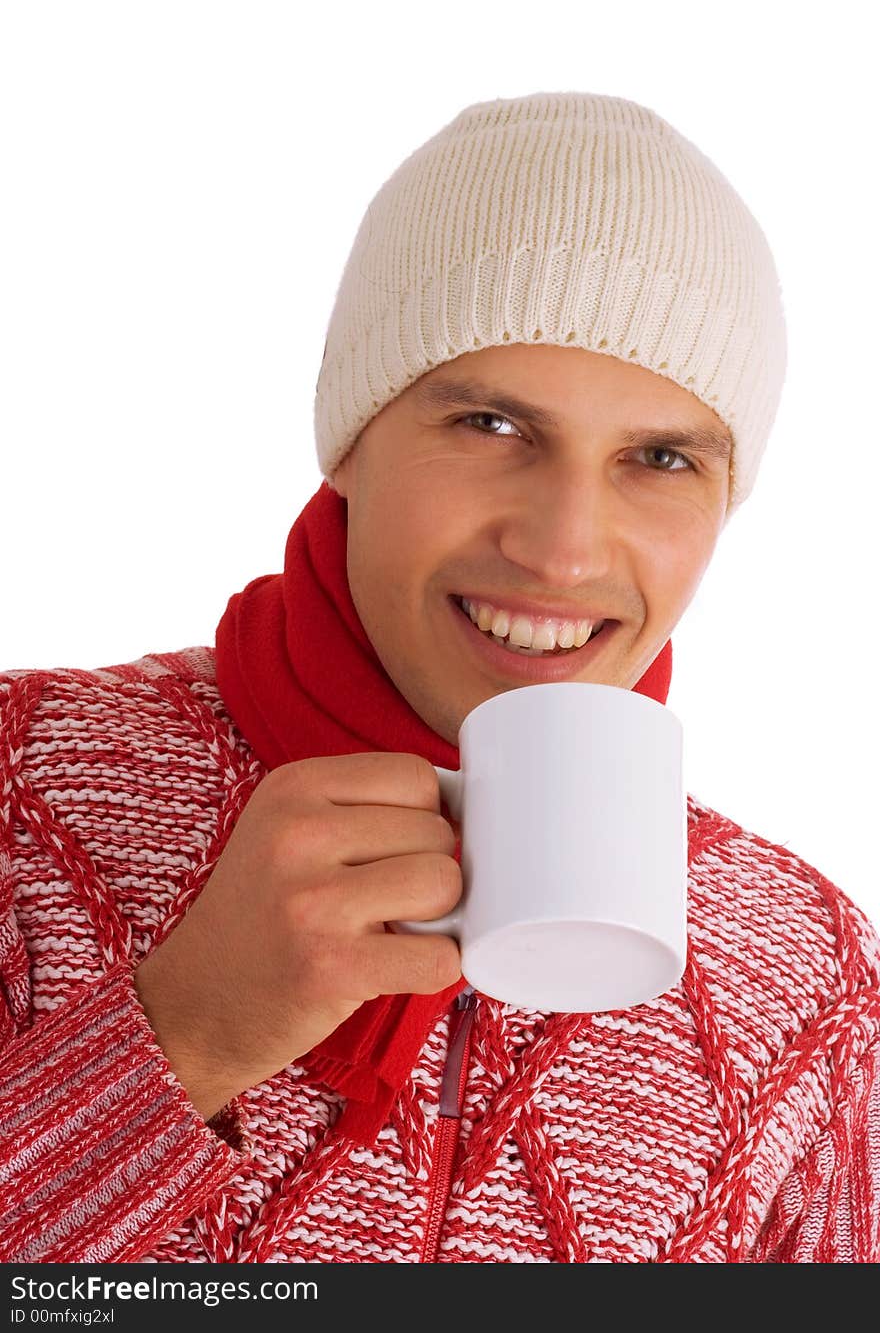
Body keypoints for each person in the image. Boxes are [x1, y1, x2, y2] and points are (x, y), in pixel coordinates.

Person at [1, 91, 878, 1265]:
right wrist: (183, 1031)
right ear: (352, 440)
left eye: (659, 458)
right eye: (488, 425)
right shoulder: (22, 781)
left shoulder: (810, 970)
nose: (563, 549)